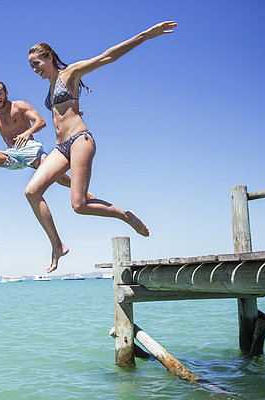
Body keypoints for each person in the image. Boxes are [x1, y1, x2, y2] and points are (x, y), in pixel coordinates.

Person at [25, 21, 177, 273]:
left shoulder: (70, 74)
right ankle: (57, 246)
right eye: (31, 66)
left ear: (49, 57)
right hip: (60, 147)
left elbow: (107, 56)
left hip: (80, 141)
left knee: (79, 205)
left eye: (37, 63)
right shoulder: (50, 86)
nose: (34, 69)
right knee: (31, 192)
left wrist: (145, 35)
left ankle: (125, 215)